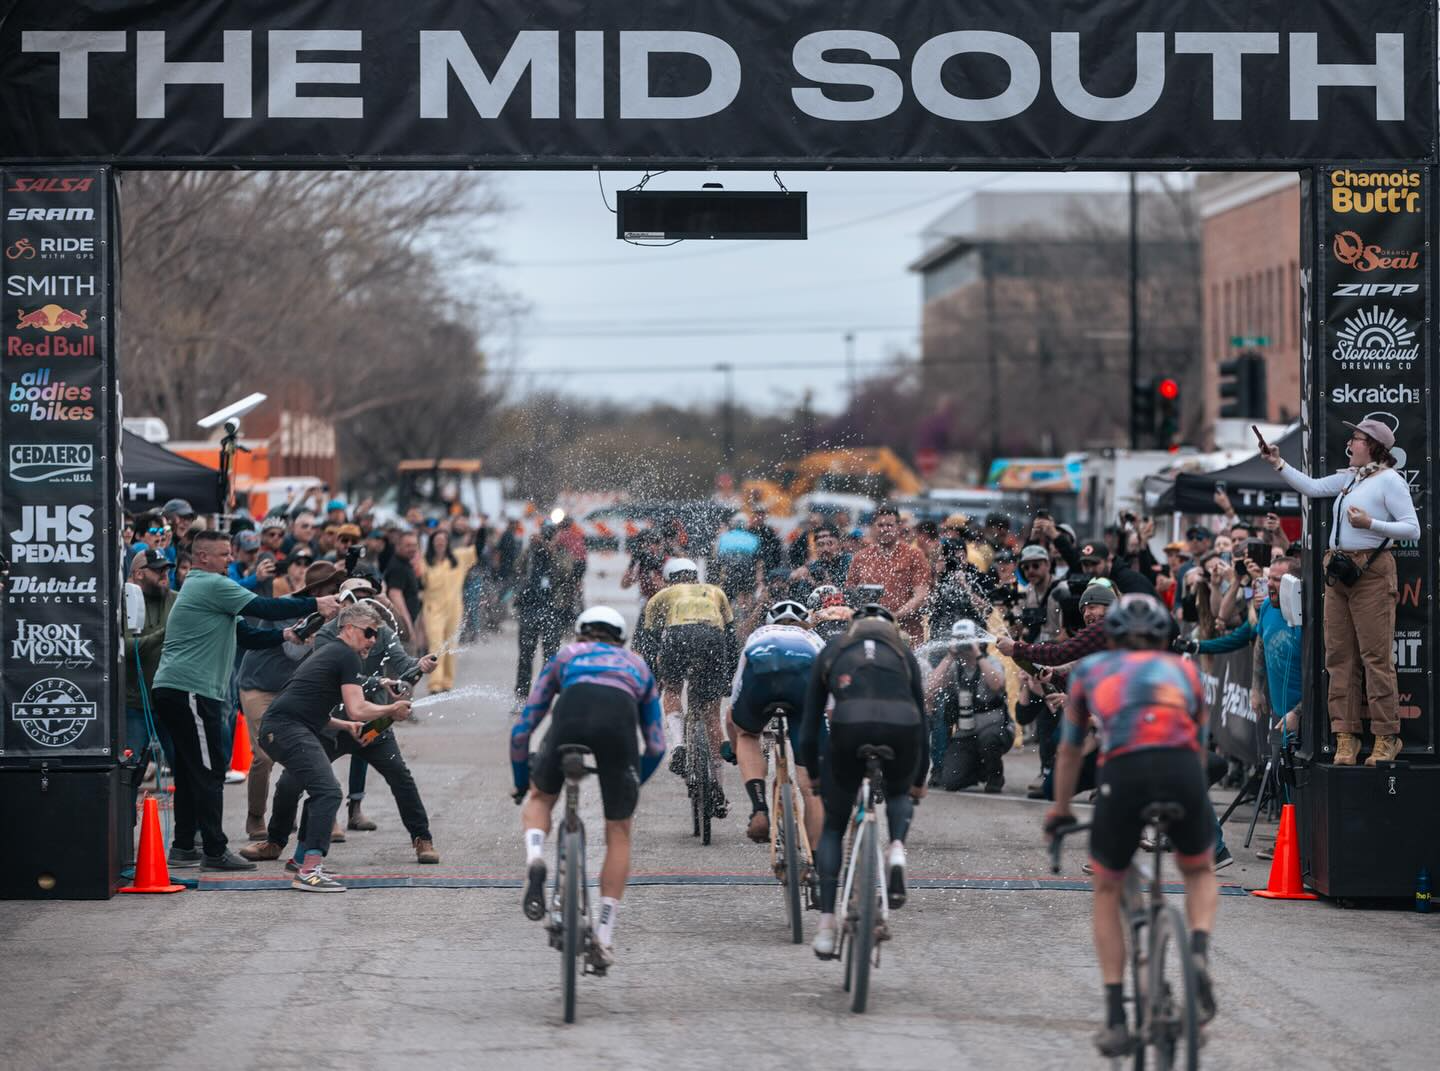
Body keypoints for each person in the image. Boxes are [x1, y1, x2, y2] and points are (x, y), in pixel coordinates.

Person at [1045, 593, 1218, 1056]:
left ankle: (1117, 1016)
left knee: (1107, 885)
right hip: (1180, 770)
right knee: (1198, 870)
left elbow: (1067, 752)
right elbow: (1199, 744)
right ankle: (1197, 955)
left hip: (1124, 774)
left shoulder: (1090, 671)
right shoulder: (1185, 672)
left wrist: (1059, 810)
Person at [151, 530, 340, 872]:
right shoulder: (210, 584)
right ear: (203, 557)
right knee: (210, 771)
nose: (230, 559)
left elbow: (247, 635)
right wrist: (316, 603)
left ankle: (184, 846)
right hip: (191, 690)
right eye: (224, 554)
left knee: (192, 770)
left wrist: (286, 634)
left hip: (178, 689)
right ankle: (214, 850)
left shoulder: (207, 591)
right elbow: (263, 605)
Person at [512, 606, 666, 967]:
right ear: (621, 639)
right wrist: (631, 783)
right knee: (619, 831)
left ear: (581, 634)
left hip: (571, 718)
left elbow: (523, 728)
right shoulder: (637, 665)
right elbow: (657, 744)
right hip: (618, 728)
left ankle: (536, 859)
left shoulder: (566, 655)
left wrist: (524, 783)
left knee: (540, 799)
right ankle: (605, 934)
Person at [1263, 418, 1419, 765]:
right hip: (1339, 570)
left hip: (1371, 571)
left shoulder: (1389, 480)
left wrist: (1371, 525)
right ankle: (1345, 735)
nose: (1350, 444)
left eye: (1357, 439)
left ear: (1374, 446)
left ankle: (1386, 736)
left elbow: (1413, 528)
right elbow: (1313, 487)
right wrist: (1278, 463)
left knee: (1375, 658)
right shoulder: (1352, 477)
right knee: (1339, 657)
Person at [801, 605, 929, 959]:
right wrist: (918, 778)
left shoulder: (834, 648)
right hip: (902, 727)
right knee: (899, 792)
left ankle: (826, 925)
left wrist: (813, 774)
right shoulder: (903, 651)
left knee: (833, 827)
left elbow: (810, 725)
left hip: (849, 727)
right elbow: (924, 718)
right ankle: (898, 849)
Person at [257, 603, 413, 892]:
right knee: (328, 791)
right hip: (285, 729)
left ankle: (302, 860)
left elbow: (307, 702)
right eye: (369, 633)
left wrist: (342, 726)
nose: (372, 641)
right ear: (349, 629)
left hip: (286, 727)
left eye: (376, 635)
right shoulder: (345, 655)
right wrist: (391, 709)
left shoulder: (334, 654)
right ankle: (310, 871)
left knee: (320, 790)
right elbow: (356, 708)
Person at [233, 561, 344, 841]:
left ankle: (321, 815)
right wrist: (326, 631)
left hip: (290, 690)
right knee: (265, 755)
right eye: (334, 591)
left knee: (309, 752)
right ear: (318, 591)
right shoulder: (290, 606)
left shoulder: (335, 618)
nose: (338, 598)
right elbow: (293, 652)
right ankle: (256, 816)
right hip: (258, 685)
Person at [637, 558, 736, 817]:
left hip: (677, 637)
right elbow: (731, 636)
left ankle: (679, 744)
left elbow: (650, 641)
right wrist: (728, 677)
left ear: (670, 578)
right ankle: (717, 786)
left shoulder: (662, 595)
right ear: (695, 575)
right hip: (711, 639)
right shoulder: (715, 592)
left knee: (672, 689)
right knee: (711, 711)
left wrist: (655, 676)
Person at [726, 600, 825, 846]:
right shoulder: (814, 639)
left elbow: (734, 700)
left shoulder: (757, 636)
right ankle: (816, 866)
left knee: (747, 734)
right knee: (813, 789)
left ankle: (759, 807)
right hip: (804, 683)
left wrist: (735, 744)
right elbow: (830, 703)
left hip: (761, 678)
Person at [925, 619, 1012, 793]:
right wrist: (949, 656)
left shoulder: (990, 662)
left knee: (989, 740)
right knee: (950, 781)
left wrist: (977, 654)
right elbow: (930, 688)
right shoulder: (956, 666)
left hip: (995, 727)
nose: (964, 644)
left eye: (967, 639)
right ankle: (978, 770)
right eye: (960, 639)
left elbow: (997, 685)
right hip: (967, 731)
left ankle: (995, 776)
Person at [122, 549, 177, 818]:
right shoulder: (125, 604)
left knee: (187, 769)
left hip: (171, 699)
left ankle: (191, 837)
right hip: (135, 702)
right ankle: (123, 839)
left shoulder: (177, 601)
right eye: (157, 569)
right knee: (130, 772)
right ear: (139, 574)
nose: (164, 573)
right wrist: (163, 634)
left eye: (166, 568)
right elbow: (126, 648)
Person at [846, 504, 932, 645]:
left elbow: (921, 595)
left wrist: (894, 616)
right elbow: (850, 593)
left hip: (906, 632)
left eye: (889, 525)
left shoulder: (914, 555)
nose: (885, 529)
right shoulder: (861, 557)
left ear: (898, 527)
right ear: (873, 528)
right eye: (880, 525)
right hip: (868, 630)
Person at [513, 523, 576, 698]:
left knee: (550, 655)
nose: (547, 538)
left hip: (552, 609)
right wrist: (529, 547)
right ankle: (521, 693)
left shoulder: (562, 552)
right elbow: (517, 567)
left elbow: (566, 572)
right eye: (545, 534)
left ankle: (544, 692)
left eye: (551, 535)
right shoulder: (533, 550)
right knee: (525, 654)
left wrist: (552, 550)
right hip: (529, 607)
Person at [420, 527, 477, 693]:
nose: (440, 544)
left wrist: (479, 530)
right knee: (436, 645)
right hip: (433, 608)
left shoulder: (458, 558)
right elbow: (419, 581)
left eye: (443, 541)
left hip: (454, 608)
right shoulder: (425, 561)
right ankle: (435, 683)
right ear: (432, 544)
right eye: (437, 541)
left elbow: (476, 550)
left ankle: (447, 681)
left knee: (451, 644)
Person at [384, 529, 426, 651]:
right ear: (398, 546)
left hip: (405, 628)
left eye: (414, 545)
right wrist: (408, 628)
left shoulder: (406, 563)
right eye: (408, 545)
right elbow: (395, 595)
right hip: (401, 631)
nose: (412, 549)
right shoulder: (398, 567)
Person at [1076, 540, 1157, 598]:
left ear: (1109, 560)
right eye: (1085, 565)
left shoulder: (1129, 581)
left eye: (1095, 564)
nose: (1090, 570)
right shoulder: (1098, 581)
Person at [789, 524, 851, 590]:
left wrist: (826, 583)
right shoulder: (814, 567)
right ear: (815, 548)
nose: (825, 549)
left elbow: (848, 590)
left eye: (830, 543)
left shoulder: (850, 562)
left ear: (839, 545)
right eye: (820, 545)